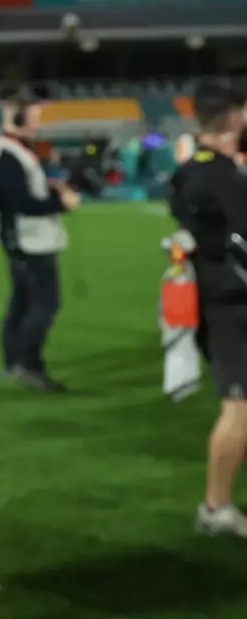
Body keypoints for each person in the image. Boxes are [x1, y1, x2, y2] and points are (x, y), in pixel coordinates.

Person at [167, 82, 247, 537]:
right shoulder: (224, 177)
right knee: (239, 407)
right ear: (236, 118)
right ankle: (215, 509)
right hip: (231, 303)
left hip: (210, 296)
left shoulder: (188, 171)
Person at [0, 90, 79, 392]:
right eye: (35, 117)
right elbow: (21, 203)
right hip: (30, 242)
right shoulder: (10, 154)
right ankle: (29, 364)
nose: (38, 124)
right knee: (44, 303)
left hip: (24, 241)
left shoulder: (11, 150)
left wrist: (50, 191)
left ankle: (14, 362)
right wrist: (62, 204)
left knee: (22, 302)